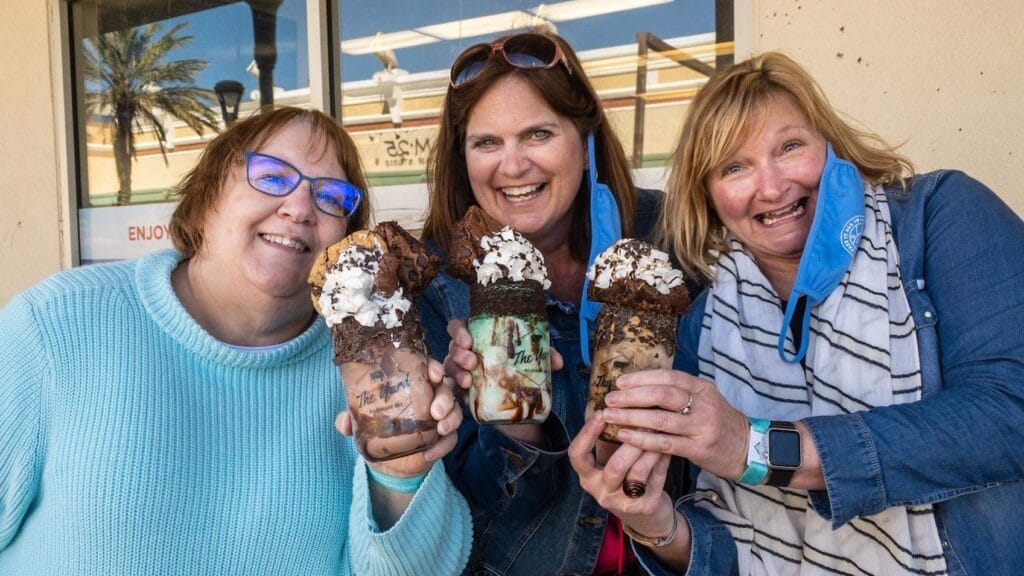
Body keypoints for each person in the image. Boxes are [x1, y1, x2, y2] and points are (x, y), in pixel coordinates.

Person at [569, 51, 1024, 575]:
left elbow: (1009, 412)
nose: (771, 187)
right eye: (734, 167)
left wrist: (756, 445)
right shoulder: (704, 324)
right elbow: (724, 551)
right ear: (708, 196)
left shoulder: (937, 217)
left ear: (831, 148)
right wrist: (653, 523)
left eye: (789, 147)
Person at [0, 106, 471, 575]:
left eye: (331, 196)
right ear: (208, 194)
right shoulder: (57, 326)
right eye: (270, 176)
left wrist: (398, 477)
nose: (300, 208)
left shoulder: (373, 375)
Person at [420, 30, 691, 575]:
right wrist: (516, 422)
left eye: (538, 134)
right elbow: (478, 512)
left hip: (671, 556)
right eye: (487, 142)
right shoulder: (440, 285)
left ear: (584, 135)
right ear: (463, 157)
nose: (513, 166)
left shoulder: (666, 239)